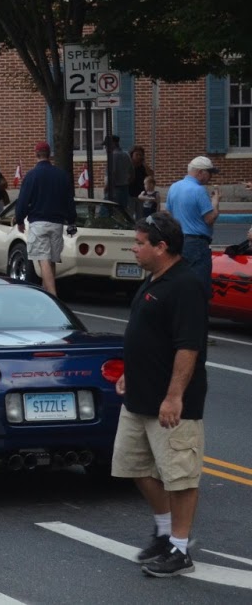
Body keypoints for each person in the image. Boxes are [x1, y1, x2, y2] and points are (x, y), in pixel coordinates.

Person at [118, 211, 208, 578]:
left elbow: (188, 347)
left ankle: (181, 549)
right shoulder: (154, 279)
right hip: (138, 396)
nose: (134, 249)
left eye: (140, 243)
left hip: (170, 402)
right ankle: (165, 531)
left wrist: (174, 397)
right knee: (135, 467)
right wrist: (129, 371)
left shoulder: (186, 285)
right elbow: (147, 334)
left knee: (180, 476)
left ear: (162, 247)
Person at [16, 140, 76, 296]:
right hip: (57, 224)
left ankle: (52, 295)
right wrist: (71, 220)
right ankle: (46, 294)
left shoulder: (31, 176)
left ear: (36, 154)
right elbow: (69, 200)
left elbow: (23, 200)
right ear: (49, 155)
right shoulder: (62, 176)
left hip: (39, 223)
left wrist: (19, 219)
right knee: (51, 260)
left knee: (43, 260)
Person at [165, 155, 219, 301]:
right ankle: (196, 319)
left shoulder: (174, 187)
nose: (211, 177)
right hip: (197, 243)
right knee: (199, 288)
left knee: (180, 282)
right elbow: (209, 219)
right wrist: (215, 202)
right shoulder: (199, 190)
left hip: (179, 241)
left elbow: (169, 215)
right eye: (209, 172)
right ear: (200, 172)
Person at [103, 135, 134, 215]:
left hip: (114, 189)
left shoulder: (113, 156)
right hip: (125, 189)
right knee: (122, 214)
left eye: (106, 145)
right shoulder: (126, 155)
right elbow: (132, 173)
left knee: (106, 215)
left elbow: (112, 174)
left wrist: (107, 188)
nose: (106, 148)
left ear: (113, 144)